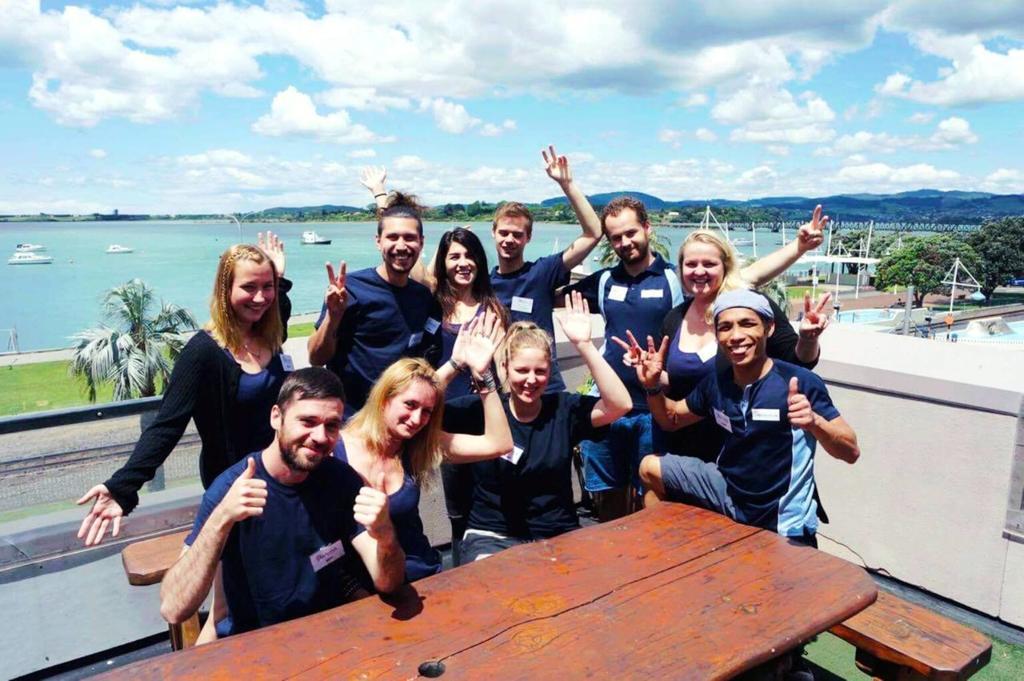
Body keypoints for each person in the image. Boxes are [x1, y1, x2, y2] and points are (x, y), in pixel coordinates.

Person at [77, 235, 294, 546]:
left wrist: (279, 279)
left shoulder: (270, 333)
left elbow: (279, 310)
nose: (260, 298)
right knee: (233, 575)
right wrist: (123, 486)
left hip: (280, 475)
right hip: (235, 484)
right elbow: (167, 424)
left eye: (267, 287)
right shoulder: (203, 352)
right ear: (225, 290)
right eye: (249, 287)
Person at [159, 368, 405, 639]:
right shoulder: (233, 488)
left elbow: (389, 582)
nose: (320, 436)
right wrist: (221, 519)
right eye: (308, 421)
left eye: (331, 425)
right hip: (255, 645)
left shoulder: (342, 481)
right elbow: (173, 609)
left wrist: (385, 535)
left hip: (330, 635)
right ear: (277, 417)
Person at [627, 290, 859, 546]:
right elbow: (670, 418)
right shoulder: (716, 384)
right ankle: (666, 554)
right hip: (727, 489)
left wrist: (815, 422)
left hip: (780, 516)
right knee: (649, 467)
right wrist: (652, 387)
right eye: (725, 327)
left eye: (747, 324)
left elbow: (850, 451)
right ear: (717, 336)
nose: (736, 336)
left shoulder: (799, 381)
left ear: (769, 328)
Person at [442, 292, 631, 563]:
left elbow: (619, 404)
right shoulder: (480, 409)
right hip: (493, 535)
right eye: (522, 371)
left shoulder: (564, 409)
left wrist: (585, 345)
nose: (531, 380)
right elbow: (412, 405)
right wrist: (456, 364)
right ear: (505, 367)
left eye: (540, 371)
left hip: (558, 533)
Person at [337, 311, 514, 583]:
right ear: (384, 399)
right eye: (409, 406)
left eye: (427, 412)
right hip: (362, 588)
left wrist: (482, 375)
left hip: (422, 575)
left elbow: (499, 444)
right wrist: (453, 363)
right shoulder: (336, 448)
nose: (417, 419)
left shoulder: (416, 444)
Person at [649, 210, 832, 466]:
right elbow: (675, 378)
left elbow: (800, 361)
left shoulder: (751, 308)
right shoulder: (675, 318)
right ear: (681, 269)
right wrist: (650, 373)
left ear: (725, 267)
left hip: (740, 450)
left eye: (709, 264)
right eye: (691, 264)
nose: (699, 271)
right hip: (683, 443)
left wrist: (808, 338)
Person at [419, 227, 510, 562]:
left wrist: (487, 371)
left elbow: (502, 367)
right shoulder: (432, 306)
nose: (463, 263)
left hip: (485, 415)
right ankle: (460, 565)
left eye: (469, 255)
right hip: (446, 419)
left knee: (491, 497)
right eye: (454, 256)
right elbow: (421, 272)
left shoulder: (493, 309)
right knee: (456, 506)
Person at [488, 146, 603, 393]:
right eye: (503, 233)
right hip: (502, 390)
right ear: (493, 233)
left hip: (547, 387)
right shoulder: (483, 285)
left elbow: (593, 233)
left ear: (528, 237)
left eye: (517, 234)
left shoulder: (542, 272)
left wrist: (567, 185)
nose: (509, 240)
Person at [307, 193, 434, 415]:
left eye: (409, 237)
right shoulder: (351, 289)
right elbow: (316, 358)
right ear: (378, 242)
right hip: (352, 419)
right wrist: (333, 317)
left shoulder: (422, 297)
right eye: (392, 237)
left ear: (421, 243)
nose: (401, 246)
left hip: (399, 419)